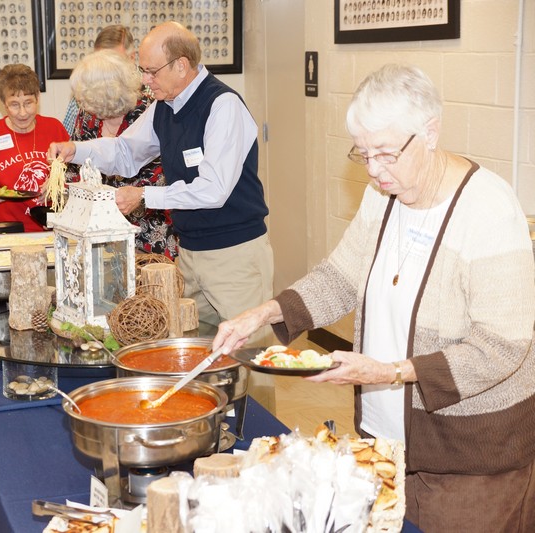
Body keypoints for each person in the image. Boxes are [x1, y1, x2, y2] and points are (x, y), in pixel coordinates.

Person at [212, 64, 535, 532]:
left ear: (430, 132)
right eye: (362, 154)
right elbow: (340, 277)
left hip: (469, 452)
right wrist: (263, 313)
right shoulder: (383, 194)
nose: (374, 170)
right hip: (387, 435)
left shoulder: (488, 210)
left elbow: (501, 346)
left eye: (385, 153)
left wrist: (390, 372)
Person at [49, 22, 274, 328]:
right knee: (197, 350)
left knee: (247, 352)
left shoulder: (223, 105)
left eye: (152, 71)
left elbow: (213, 189)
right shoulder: (165, 106)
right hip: (191, 252)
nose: (145, 80)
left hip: (233, 255)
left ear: (181, 65)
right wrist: (77, 150)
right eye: (143, 70)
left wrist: (143, 195)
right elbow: (126, 152)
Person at [69, 49, 178, 258]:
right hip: (100, 230)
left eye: (90, 99)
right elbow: (75, 167)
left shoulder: (151, 109)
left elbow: (164, 172)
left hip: (151, 226)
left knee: (150, 284)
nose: (85, 106)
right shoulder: (87, 117)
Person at [0, 64, 68, 232]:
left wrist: (58, 183)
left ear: (38, 98)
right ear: (3, 103)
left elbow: (75, 175)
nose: (23, 113)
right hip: (7, 232)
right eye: (14, 105)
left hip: (53, 230)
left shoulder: (54, 128)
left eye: (28, 103)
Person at [62, 24, 135, 137]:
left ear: (132, 58)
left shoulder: (155, 94)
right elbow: (69, 142)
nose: (105, 70)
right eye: (100, 61)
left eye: (114, 63)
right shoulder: (83, 98)